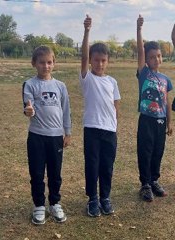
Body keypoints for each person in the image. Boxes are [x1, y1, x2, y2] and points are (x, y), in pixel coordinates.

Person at [22, 45, 72, 225]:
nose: (46, 66)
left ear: (54, 63)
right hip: (36, 136)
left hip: (56, 137)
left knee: (55, 173)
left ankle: (55, 203)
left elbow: (66, 110)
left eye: (49, 62)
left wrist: (67, 133)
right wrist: (29, 111)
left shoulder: (60, 86)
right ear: (34, 63)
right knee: (36, 173)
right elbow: (28, 108)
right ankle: (39, 206)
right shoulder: (30, 84)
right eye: (42, 62)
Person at [80, 15, 121, 217]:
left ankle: (105, 197)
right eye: (96, 60)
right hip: (92, 129)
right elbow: (84, 57)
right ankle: (93, 199)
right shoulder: (87, 78)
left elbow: (116, 106)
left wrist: (115, 127)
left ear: (108, 61)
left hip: (109, 131)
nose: (99, 64)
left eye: (103, 60)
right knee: (92, 165)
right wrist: (87, 30)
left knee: (107, 166)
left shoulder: (112, 82)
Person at [136, 15, 173, 202]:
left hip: (160, 121)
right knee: (146, 151)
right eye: (152, 57)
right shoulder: (144, 74)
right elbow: (141, 52)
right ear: (147, 60)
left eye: (158, 55)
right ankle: (145, 185)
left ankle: (154, 180)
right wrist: (139, 29)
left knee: (158, 151)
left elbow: (167, 101)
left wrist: (169, 122)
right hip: (146, 120)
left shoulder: (166, 80)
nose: (156, 59)